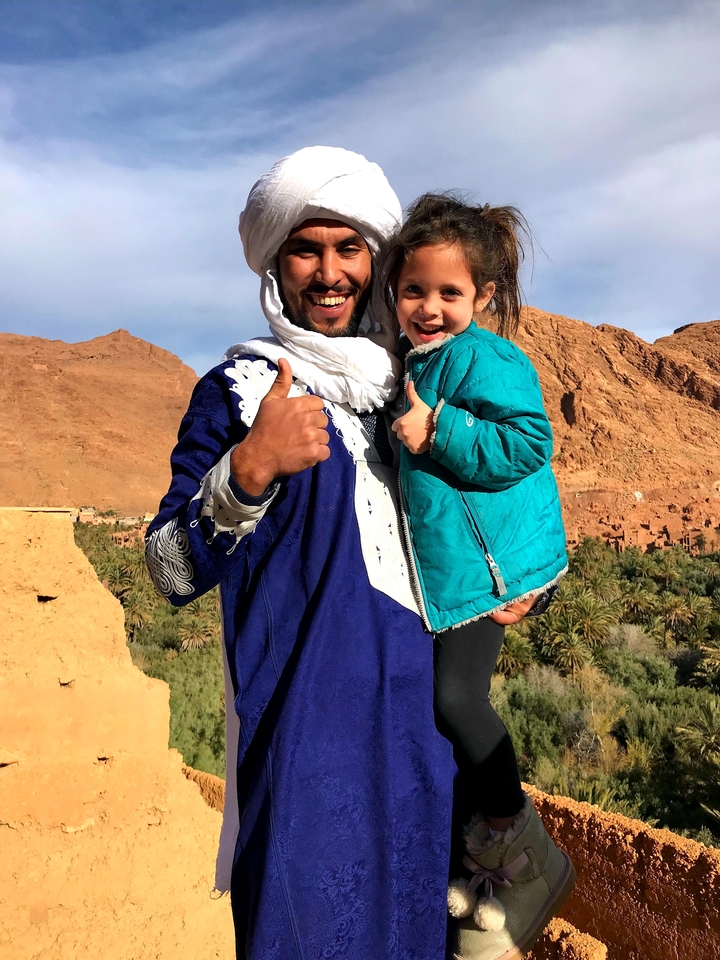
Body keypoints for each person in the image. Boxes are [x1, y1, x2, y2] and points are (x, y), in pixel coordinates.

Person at [386, 193, 575, 960]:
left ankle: (520, 846)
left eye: (449, 293)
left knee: (455, 698)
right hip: (460, 576)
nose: (429, 307)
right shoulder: (419, 361)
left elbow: (528, 443)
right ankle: (475, 861)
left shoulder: (484, 356)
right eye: (413, 291)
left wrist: (439, 430)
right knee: (436, 715)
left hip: (493, 577)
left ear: (483, 297)